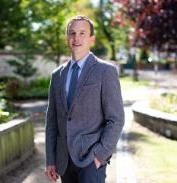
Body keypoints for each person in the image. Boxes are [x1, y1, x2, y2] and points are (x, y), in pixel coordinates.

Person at [45, 15, 124, 183]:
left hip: (91, 160)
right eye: (72, 33)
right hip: (64, 160)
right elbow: (52, 122)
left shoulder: (105, 71)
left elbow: (116, 119)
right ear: (67, 38)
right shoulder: (57, 75)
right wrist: (51, 160)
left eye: (82, 33)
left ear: (91, 39)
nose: (76, 38)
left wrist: (100, 155)